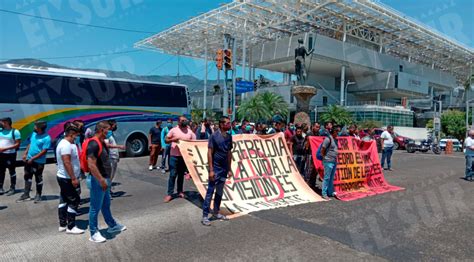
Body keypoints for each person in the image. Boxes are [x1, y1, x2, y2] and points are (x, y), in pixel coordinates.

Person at [86, 121, 126, 243]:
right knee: (95, 207)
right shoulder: (93, 143)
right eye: (108, 129)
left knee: (105, 204)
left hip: (105, 179)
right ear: (102, 130)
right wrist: (101, 180)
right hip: (99, 180)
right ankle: (93, 233)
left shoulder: (101, 142)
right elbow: (91, 164)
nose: (109, 131)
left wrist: (118, 147)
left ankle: (112, 225)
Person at [201, 116, 233, 226]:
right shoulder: (214, 136)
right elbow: (209, 153)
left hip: (224, 170)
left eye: (229, 123)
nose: (230, 125)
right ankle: (205, 216)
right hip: (215, 169)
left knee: (219, 191)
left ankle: (216, 212)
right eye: (228, 123)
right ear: (221, 124)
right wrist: (211, 170)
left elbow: (229, 153)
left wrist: (229, 169)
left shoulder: (229, 137)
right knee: (210, 191)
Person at [56, 123, 84, 234]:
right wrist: (73, 178)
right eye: (76, 135)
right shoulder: (65, 145)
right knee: (74, 200)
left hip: (64, 177)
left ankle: (62, 224)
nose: (76, 138)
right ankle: (71, 227)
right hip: (67, 178)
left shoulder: (66, 143)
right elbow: (66, 162)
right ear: (71, 134)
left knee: (64, 199)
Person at [17, 121, 51, 203]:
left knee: (38, 178)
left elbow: (44, 151)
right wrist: (25, 153)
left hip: (39, 162)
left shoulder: (47, 138)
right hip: (29, 160)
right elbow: (30, 143)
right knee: (27, 176)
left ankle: (38, 195)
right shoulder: (34, 134)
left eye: (35, 126)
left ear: (40, 128)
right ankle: (26, 194)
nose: (34, 128)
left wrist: (33, 158)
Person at [164, 116, 196, 203]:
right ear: (178, 122)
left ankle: (180, 191)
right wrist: (174, 139)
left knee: (181, 175)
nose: (185, 122)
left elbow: (195, 142)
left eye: (185, 120)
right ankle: (170, 194)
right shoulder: (173, 130)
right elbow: (166, 140)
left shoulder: (189, 132)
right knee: (173, 175)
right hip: (174, 156)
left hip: (184, 157)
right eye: (183, 120)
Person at [0, 117, 21, 196]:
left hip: (10, 155)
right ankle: (0, 187)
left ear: (6, 123)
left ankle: (12, 187)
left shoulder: (15, 132)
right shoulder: (1, 131)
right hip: (1, 155)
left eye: (1, 122)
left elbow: (17, 144)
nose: (0, 123)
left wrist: (5, 149)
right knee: (1, 171)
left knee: (12, 171)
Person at [105, 120, 125, 193]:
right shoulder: (107, 135)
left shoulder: (111, 134)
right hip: (110, 158)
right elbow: (106, 145)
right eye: (115, 125)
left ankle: (108, 190)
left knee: (112, 175)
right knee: (109, 176)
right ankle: (107, 191)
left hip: (114, 157)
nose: (116, 126)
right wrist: (119, 146)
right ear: (111, 125)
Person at [321, 125, 340, 200]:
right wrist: (324, 158)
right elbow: (323, 149)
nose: (337, 133)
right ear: (333, 132)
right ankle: (324, 194)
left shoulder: (335, 139)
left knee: (331, 178)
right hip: (328, 161)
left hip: (333, 161)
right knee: (327, 178)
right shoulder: (328, 139)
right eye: (336, 132)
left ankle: (330, 192)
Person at [304, 122, 321, 189]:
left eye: (319, 127)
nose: (318, 128)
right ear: (313, 126)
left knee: (315, 170)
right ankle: (307, 186)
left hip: (316, 155)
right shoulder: (309, 134)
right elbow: (306, 146)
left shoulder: (318, 134)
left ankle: (313, 184)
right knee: (309, 170)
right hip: (310, 154)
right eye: (316, 127)